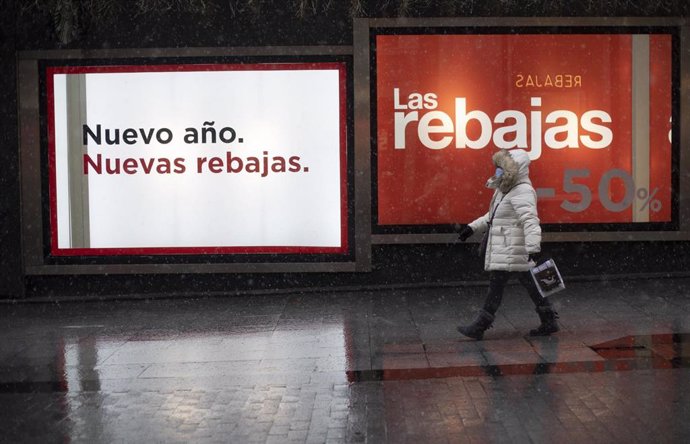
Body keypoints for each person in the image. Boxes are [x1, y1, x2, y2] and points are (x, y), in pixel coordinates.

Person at [456, 148, 559, 340]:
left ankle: (480, 325)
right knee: (531, 284)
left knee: (497, 285)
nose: (497, 171)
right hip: (509, 247)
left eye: (501, 168)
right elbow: (493, 216)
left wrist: (533, 247)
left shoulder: (522, 191)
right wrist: (472, 228)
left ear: (514, 169)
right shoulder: (504, 190)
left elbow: (530, 220)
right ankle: (548, 320)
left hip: (513, 248)